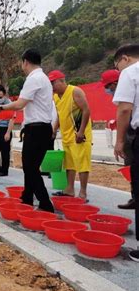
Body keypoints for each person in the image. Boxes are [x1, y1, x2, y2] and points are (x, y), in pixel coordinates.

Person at [0, 49, 54, 212]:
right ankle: (27, 197)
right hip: (42, 128)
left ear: (25, 62)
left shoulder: (33, 79)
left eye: (22, 63)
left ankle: (45, 203)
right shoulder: (44, 78)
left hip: (37, 129)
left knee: (30, 168)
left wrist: (1, 107)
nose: (22, 66)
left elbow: (19, 104)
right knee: (31, 166)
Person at [112, 43, 139, 262]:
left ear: (125, 59)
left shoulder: (130, 73)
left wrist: (119, 141)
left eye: (117, 65)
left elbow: (124, 109)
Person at [49, 70, 92, 200]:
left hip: (79, 134)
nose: (51, 86)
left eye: (52, 83)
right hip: (66, 135)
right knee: (69, 164)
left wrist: (81, 131)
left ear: (61, 80)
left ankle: (83, 192)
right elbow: (60, 115)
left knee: (82, 163)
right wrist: (54, 129)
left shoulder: (75, 91)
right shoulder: (56, 97)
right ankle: (69, 189)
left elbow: (86, 110)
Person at [101, 69, 135, 209]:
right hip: (130, 135)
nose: (108, 90)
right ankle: (135, 196)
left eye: (109, 87)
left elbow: (126, 112)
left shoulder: (129, 91)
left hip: (134, 134)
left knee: (134, 165)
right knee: (131, 165)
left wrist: (119, 141)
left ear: (116, 83)